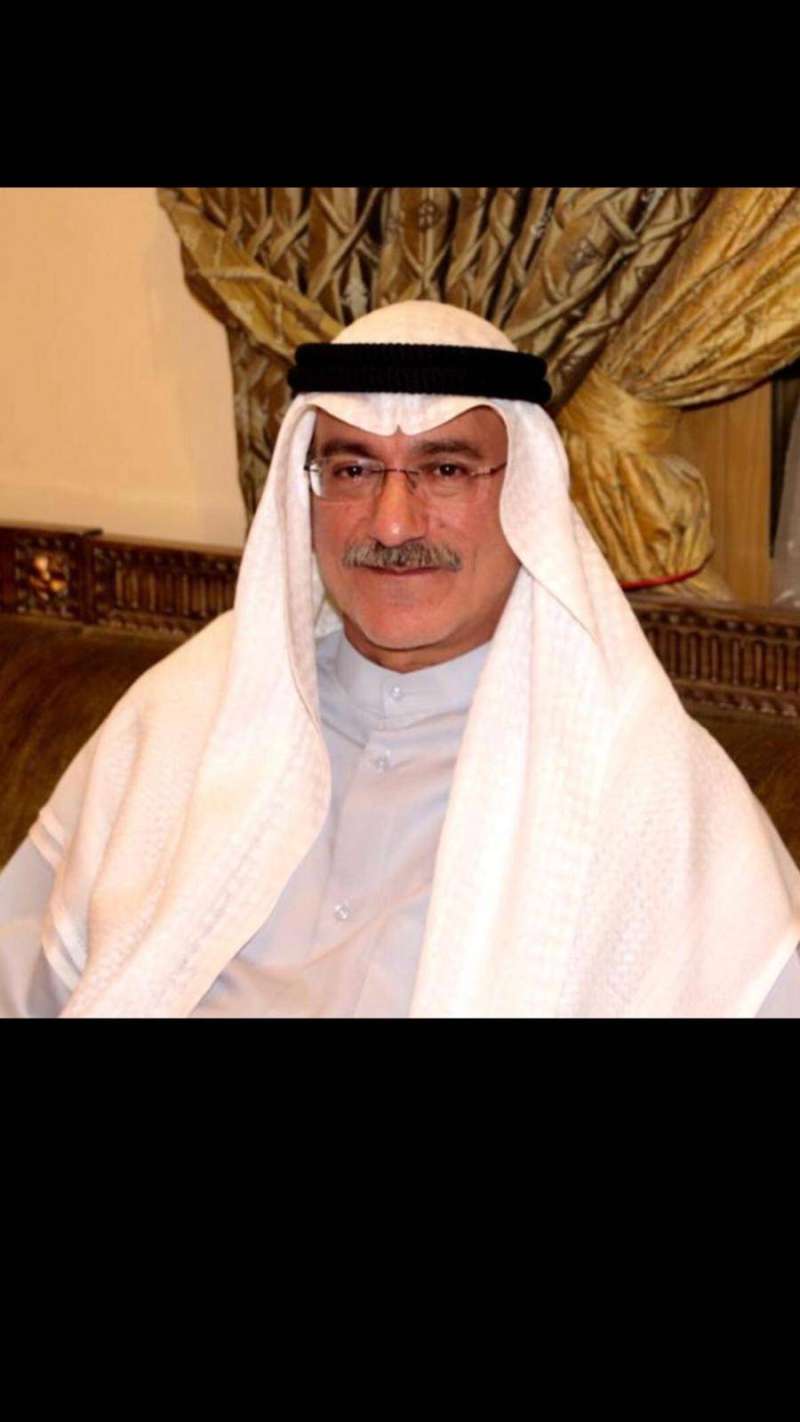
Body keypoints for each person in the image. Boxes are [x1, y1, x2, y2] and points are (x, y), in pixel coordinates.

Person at [1, 300, 799, 1017]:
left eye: (445, 470)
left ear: (527, 494)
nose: (390, 524)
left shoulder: (642, 780)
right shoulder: (183, 713)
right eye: (352, 470)